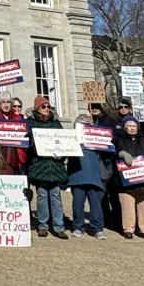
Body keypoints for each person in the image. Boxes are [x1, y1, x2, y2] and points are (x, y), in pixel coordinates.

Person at [26, 96, 69, 239]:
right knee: (42, 195)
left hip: (55, 164)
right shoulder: (30, 123)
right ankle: (42, 225)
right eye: (43, 107)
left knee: (56, 195)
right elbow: (28, 143)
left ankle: (58, 226)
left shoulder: (56, 123)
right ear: (37, 109)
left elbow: (64, 142)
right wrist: (34, 145)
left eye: (48, 106)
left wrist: (62, 154)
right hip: (39, 164)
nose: (46, 109)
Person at [113, 117, 144, 240]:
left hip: (143, 178)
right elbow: (112, 153)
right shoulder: (118, 140)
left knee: (143, 204)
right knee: (127, 204)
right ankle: (128, 228)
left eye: (134, 125)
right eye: (129, 125)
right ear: (124, 127)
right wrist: (120, 154)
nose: (132, 128)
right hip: (125, 179)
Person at [67, 117, 107, 239]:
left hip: (94, 175)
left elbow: (107, 154)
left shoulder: (97, 140)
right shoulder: (70, 139)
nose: (83, 127)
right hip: (77, 175)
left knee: (96, 204)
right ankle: (78, 227)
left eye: (86, 124)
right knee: (77, 204)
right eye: (81, 124)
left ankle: (98, 229)